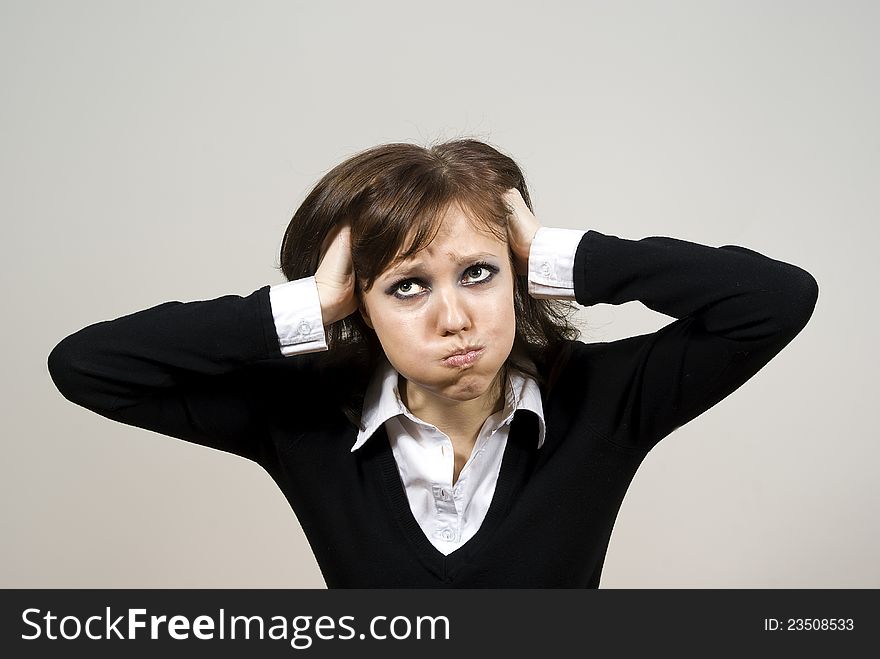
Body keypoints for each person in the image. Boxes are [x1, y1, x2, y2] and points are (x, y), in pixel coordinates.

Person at [47, 139, 819, 587]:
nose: (455, 317)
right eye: (408, 286)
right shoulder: (306, 418)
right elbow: (87, 365)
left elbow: (776, 299)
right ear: (359, 302)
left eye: (479, 273)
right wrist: (307, 307)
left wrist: (561, 255)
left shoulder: (603, 400)